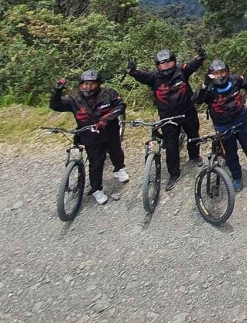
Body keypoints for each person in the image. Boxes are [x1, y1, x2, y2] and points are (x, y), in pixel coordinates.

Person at [127, 47, 204, 190]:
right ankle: (174, 173)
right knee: (171, 145)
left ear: (174, 61)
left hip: (187, 111)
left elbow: (192, 65)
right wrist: (132, 71)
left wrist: (200, 57)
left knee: (194, 135)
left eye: (169, 62)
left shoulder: (181, 71)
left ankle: (194, 156)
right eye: (163, 63)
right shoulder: (153, 77)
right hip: (167, 116)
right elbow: (141, 75)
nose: (166, 65)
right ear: (158, 65)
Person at [50, 69, 128, 206]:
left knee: (116, 151)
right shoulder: (74, 99)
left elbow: (121, 106)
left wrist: (106, 119)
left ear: (98, 84)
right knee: (95, 163)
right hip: (90, 137)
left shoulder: (108, 93)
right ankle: (97, 189)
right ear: (81, 84)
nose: (88, 87)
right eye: (85, 84)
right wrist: (56, 91)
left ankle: (119, 169)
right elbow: (56, 106)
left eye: (92, 84)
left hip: (110, 132)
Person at [192, 59, 247, 189]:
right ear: (211, 74)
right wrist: (204, 85)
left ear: (227, 72)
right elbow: (196, 100)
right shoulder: (209, 87)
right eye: (216, 73)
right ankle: (236, 176)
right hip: (222, 125)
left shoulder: (235, 79)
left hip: (240, 119)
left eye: (222, 72)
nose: (220, 76)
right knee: (230, 153)